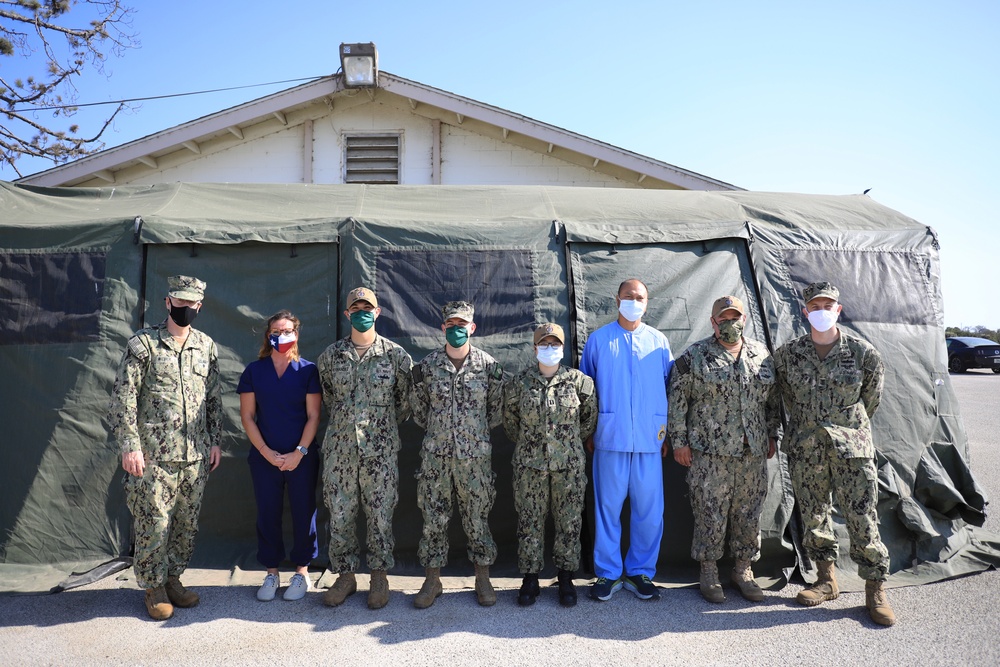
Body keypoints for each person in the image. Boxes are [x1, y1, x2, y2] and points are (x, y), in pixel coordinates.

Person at [772, 281, 895, 626]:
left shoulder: (863, 354)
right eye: (816, 305)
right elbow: (780, 397)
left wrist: (846, 429)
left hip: (851, 449)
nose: (822, 311)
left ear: (838, 310)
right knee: (814, 516)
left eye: (829, 305)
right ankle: (826, 580)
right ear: (805, 311)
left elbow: (870, 401)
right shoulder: (788, 355)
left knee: (862, 518)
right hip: (807, 448)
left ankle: (875, 589)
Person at [107, 275, 222, 621]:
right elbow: (123, 397)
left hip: (194, 455)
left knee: (186, 525)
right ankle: (153, 588)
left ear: (199, 306)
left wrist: (214, 440)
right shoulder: (144, 345)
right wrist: (130, 445)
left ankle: (172, 579)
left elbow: (213, 399)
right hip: (154, 456)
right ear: (167, 302)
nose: (185, 308)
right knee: (153, 523)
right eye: (179, 302)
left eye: (192, 304)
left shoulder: (206, 347)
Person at [668, 295, 779, 603]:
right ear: (713, 321)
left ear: (745, 319)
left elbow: (771, 402)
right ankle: (709, 572)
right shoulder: (694, 357)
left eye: (736, 317)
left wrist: (770, 435)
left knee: (749, 513)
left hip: (751, 454)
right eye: (725, 318)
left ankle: (743, 570)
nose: (731, 323)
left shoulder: (762, 355)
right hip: (710, 454)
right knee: (709, 513)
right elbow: (678, 403)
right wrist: (680, 442)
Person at [317, 287, 413, 610]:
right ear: (347, 314)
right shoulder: (330, 358)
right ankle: (345, 575)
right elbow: (329, 398)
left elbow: (403, 404)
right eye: (355, 308)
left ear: (377, 312)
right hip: (340, 451)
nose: (361, 312)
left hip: (380, 452)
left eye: (366, 307)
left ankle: (379, 575)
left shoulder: (396, 357)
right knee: (341, 515)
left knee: (380, 515)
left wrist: (380, 428)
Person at [580, 278, 674, 602]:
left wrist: (665, 433)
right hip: (610, 438)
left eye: (640, 297)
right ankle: (606, 574)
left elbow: (670, 389)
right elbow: (586, 390)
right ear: (616, 299)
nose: (634, 301)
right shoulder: (599, 340)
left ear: (647, 303)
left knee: (650, 510)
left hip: (649, 441)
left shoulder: (659, 342)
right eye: (628, 296)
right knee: (607, 509)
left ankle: (640, 572)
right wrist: (590, 430)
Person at [410, 300, 504, 608]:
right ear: (443, 328)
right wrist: (442, 432)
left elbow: (496, 411)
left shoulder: (489, 367)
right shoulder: (427, 367)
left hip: (474, 458)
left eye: (462, 325)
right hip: (436, 456)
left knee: (477, 518)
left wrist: (470, 434)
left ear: (472, 328)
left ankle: (483, 578)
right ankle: (432, 580)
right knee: (433, 519)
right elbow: (419, 410)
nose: (456, 329)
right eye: (451, 325)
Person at [503, 323, 597, 607]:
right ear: (534, 349)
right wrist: (535, 446)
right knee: (529, 522)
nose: (550, 349)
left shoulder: (580, 382)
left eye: (555, 344)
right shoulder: (518, 384)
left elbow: (588, 421)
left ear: (563, 348)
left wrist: (563, 446)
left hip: (568, 466)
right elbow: (511, 424)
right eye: (544, 344)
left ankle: (566, 577)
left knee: (569, 522)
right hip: (529, 467)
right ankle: (530, 577)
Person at [237, 311, 322, 602]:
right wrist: (266, 453)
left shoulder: (308, 371)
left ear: (296, 334)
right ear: (267, 335)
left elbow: (313, 416)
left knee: (303, 511)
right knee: (268, 513)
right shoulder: (254, 371)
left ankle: (302, 572)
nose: (281, 335)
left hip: (301, 457)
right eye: (276, 330)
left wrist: (298, 453)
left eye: (287, 331)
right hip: (264, 458)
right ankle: (271, 572)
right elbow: (248, 417)